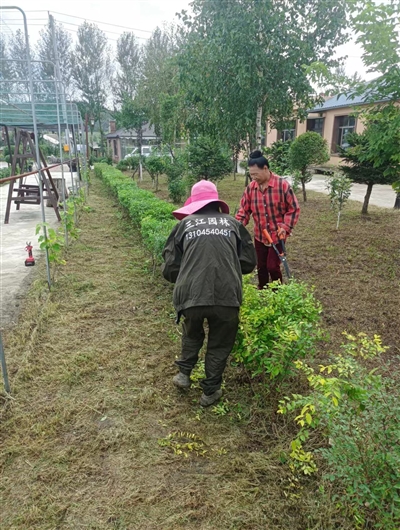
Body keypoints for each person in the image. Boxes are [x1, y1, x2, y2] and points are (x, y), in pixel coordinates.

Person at [162, 180, 256, 407]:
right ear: (216, 202)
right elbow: (248, 262)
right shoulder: (234, 224)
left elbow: (170, 266)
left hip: (191, 294)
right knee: (220, 343)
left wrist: (187, 277)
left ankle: (184, 374)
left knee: (192, 332)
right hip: (227, 296)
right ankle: (210, 392)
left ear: (194, 203)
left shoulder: (184, 226)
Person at [235, 150, 300, 289]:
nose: (253, 178)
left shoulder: (282, 185)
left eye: (255, 174)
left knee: (272, 266)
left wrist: (285, 226)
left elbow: (293, 208)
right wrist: (236, 225)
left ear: (265, 168)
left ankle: (278, 292)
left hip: (277, 235)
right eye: (251, 175)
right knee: (261, 266)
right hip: (260, 234)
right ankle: (263, 290)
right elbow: (244, 210)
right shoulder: (251, 189)